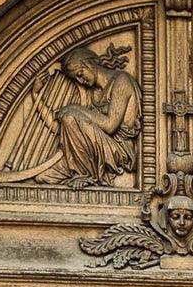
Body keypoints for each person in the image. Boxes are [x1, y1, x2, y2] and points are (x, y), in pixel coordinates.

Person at [50, 42, 141, 186]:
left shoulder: (121, 81)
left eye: (80, 74)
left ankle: (86, 174)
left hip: (118, 149)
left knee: (69, 117)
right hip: (95, 148)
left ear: (88, 64)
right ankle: (82, 170)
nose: (80, 81)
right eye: (76, 79)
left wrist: (76, 108)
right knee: (45, 177)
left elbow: (110, 125)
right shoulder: (95, 93)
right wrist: (36, 95)